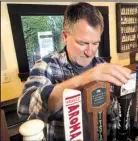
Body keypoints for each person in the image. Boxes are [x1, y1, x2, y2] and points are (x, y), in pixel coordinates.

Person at [17, 2, 131, 141]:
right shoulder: (47, 65)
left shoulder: (102, 66)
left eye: (95, 43)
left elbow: (113, 117)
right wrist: (85, 78)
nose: (90, 52)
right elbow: (24, 109)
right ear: (65, 36)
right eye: (82, 43)